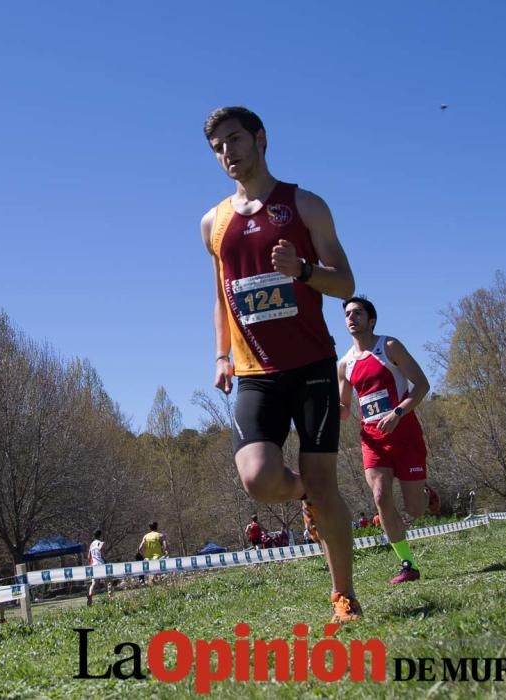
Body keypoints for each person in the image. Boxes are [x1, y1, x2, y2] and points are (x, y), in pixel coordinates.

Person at [200, 106, 360, 623]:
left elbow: (346, 284)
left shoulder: (306, 204)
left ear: (260, 139)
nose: (228, 152)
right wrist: (222, 355)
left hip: (312, 363)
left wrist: (304, 269)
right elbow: (222, 296)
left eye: (235, 139)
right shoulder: (213, 223)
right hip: (254, 371)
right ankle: (305, 495)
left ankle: (344, 596)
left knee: (326, 480)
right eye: (218, 146)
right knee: (257, 477)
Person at [338, 296, 442, 584]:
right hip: (372, 439)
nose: (351, 318)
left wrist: (397, 412)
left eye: (357, 313)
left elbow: (422, 385)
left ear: (371, 320)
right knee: (381, 496)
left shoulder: (389, 347)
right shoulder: (344, 364)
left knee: (415, 511)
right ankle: (407, 564)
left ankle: (426, 494)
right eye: (347, 314)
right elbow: (345, 410)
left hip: (404, 432)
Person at [87, 529, 113, 606]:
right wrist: (102, 544)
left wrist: (92, 562)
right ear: (100, 535)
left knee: (94, 583)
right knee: (108, 581)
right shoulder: (100, 542)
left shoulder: (91, 544)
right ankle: (110, 598)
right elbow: (100, 548)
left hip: (93, 565)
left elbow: (89, 556)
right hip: (101, 565)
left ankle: (90, 597)